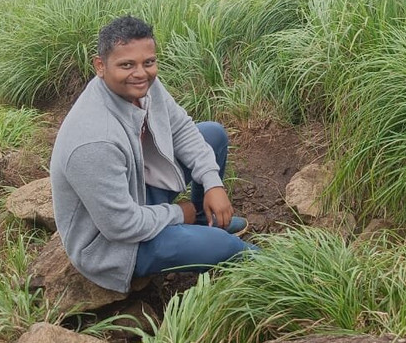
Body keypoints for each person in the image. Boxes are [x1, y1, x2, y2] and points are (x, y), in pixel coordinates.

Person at [50, 15, 255, 292]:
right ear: (100, 66)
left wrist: (213, 182)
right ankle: (277, 269)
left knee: (212, 134)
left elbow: (182, 128)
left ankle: (203, 221)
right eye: (126, 65)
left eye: (148, 62)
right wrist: (177, 213)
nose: (140, 73)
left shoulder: (144, 85)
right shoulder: (94, 140)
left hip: (137, 192)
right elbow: (120, 227)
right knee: (229, 247)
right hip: (112, 246)